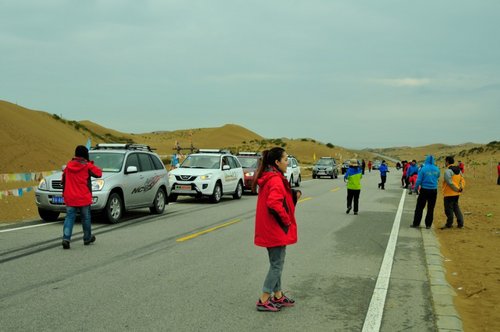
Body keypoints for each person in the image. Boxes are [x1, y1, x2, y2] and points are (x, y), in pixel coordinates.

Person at [252, 147, 301, 312]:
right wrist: (286, 221)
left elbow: (278, 198)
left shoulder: (273, 177)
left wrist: (294, 195)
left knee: (276, 263)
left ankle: (278, 295)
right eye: (286, 159)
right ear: (277, 162)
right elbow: (274, 203)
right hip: (275, 228)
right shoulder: (275, 180)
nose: (288, 163)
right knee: (277, 265)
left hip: (270, 228)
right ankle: (264, 299)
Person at [61, 145, 102, 249]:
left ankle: (66, 239)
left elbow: (63, 180)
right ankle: (87, 238)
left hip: (70, 197)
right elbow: (99, 174)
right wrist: (90, 163)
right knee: (86, 218)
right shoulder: (87, 166)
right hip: (84, 197)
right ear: (85, 155)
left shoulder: (68, 166)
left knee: (69, 218)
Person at [410, 155, 440, 229]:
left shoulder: (423, 169)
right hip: (433, 190)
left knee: (419, 207)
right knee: (431, 208)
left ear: (426, 160)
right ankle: (428, 225)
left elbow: (418, 180)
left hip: (424, 190)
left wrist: (415, 189)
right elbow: (438, 177)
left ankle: (416, 223)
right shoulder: (437, 169)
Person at [441, 156, 465, 229]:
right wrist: (461, 188)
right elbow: (462, 180)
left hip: (449, 193)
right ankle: (460, 223)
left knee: (448, 209)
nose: (445, 163)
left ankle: (449, 224)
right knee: (456, 208)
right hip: (456, 194)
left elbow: (449, 182)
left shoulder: (448, 171)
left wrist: (456, 189)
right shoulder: (459, 170)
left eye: (445, 161)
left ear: (447, 161)